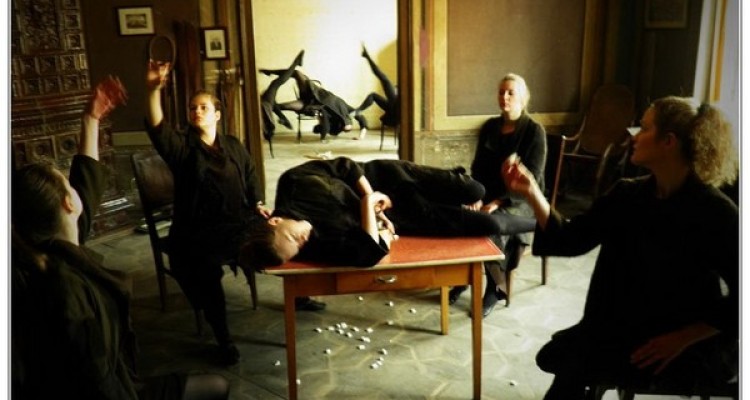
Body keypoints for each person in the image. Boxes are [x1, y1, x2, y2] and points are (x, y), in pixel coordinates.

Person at [501, 96, 738, 399]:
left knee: (576, 366)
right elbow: (572, 239)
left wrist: (682, 338)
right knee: (565, 361)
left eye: (645, 128)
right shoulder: (628, 195)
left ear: (669, 141)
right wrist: (533, 192)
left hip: (686, 339)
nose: (634, 135)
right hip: (625, 326)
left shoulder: (717, 213)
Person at [11, 76, 230, 400]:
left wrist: (91, 117)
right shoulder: (66, 291)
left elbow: (86, 178)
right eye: (67, 183)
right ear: (67, 204)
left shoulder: (49, 244)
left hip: (112, 380)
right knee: (217, 386)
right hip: (117, 393)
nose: (76, 186)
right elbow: (98, 383)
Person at [146, 60, 272, 365]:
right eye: (193, 108)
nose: (197, 112)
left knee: (281, 235)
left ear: (217, 114)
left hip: (238, 221)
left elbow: (251, 174)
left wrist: (257, 202)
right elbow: (158, 128)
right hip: (198, 231)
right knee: (206, 271)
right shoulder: (182, 148)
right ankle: (223, 339)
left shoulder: (233, 145)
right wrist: (153, 90)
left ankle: (301, 296)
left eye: (203, 107)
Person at [240, 157, 500, 270]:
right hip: (399, 215)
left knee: (476, 190)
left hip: (386, 177)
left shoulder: (293, 182)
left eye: (293, 238)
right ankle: (451, 203)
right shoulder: (313, 246)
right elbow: (368, 253)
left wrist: (370, 194)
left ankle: (455, 187)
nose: (302, 242)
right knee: (489, 224)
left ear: (275, 220)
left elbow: (344, 166)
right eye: (297, 249)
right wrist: (370, 208)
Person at [449, 73, 547, 318]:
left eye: (511, 92)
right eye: (501, 92)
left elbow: (532, 177)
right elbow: (478, 169)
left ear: (523, 98)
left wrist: (497, 202)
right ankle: (463, 277)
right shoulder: (490, 127)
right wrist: (476, 197)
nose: (505, 97)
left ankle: (495, 287)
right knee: (460, 212)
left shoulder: (534, 131)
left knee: (491, 223)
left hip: (522, 200)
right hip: (488, 195)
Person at [260, 59, 367, 141]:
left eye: (345, 128)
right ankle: (270, 72)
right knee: (297, 73)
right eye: (348, 126)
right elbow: (361, 118)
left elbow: (325, 125)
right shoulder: (348, 109)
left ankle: (273, 113)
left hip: (309, 105)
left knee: (282, 106)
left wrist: (321, 122)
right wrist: (362, 135)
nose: (347, 127)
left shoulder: (330, 123)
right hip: (314, 92)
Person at [354, 45, 399, 140]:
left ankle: (367, 56)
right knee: (373, 95)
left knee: (384, 80)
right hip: (393, 112)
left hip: (397, 114)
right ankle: (359, 110)